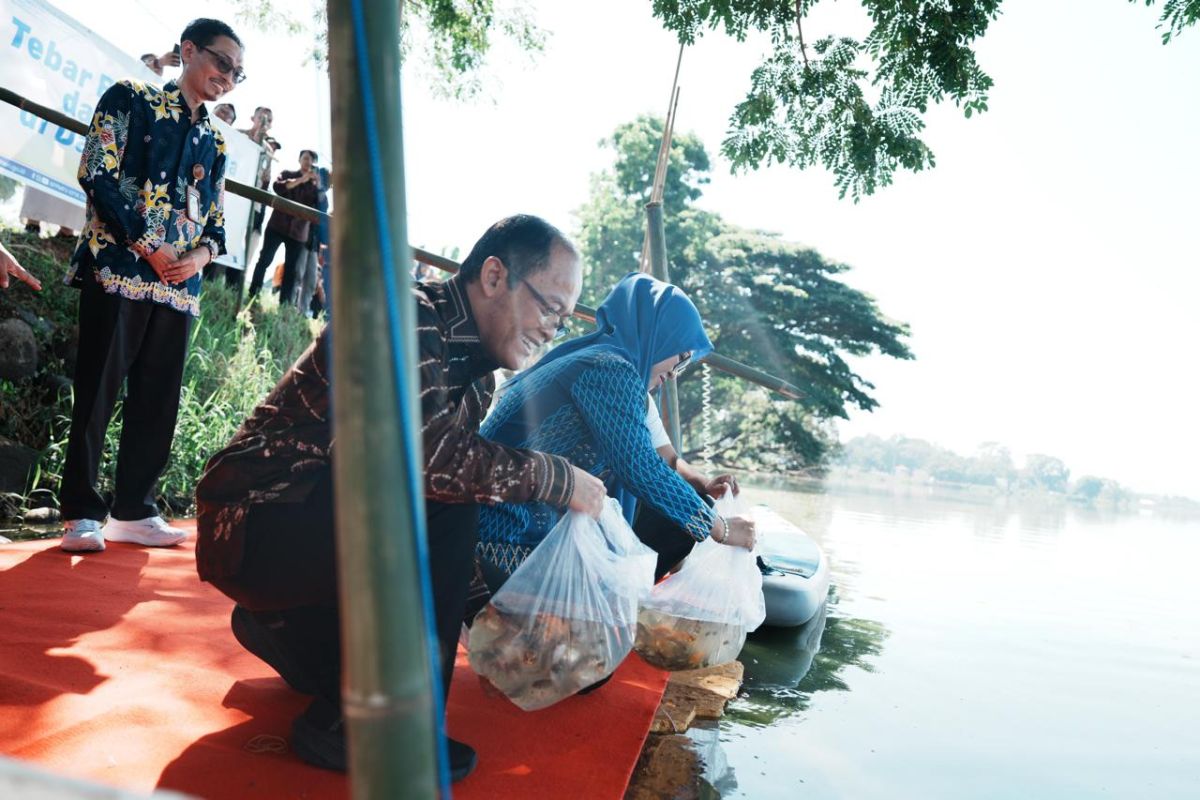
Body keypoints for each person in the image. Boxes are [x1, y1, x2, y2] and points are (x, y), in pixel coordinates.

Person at [194, 214, 606, 779]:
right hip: (254, 524)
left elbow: (444, 529)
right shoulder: (403, 315)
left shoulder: (476, 382)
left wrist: (500, 627)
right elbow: (423, 459)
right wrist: (558, 478)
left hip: (301, 547)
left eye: (563, 319)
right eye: (550, 308)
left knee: (468, 532)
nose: (552, 330)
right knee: (448, 492)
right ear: (494, 276)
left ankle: (282, 626)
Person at [57, 18, 243, 553]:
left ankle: (134, 511)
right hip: (118, 267)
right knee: (97, 390)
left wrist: (199, 256)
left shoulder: (214, 140)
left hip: (178, 287)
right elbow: (97, 172)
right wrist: (147, 243)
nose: (228, 77)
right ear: (188, 50)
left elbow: (216, 225)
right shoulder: (130, 98)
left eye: (238, 73)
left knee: (159, 401)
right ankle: (80, 514)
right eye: (222, 62)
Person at [475, 272, 756, 587]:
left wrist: (703, 491)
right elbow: (640, 467)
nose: (674, 374)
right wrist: (720, 529)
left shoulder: (600, 360)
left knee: (676, 512)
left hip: (512, 520)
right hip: (501, 535)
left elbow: (660, 460)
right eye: (679, 359)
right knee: (671, 525)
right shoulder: (609, 369)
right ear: (659, 336)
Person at [246, 149, 319, 304]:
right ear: (299, 159)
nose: (309, 162)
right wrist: (302, 179)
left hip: (298, 234)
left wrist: (319, 186)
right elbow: (277, 187)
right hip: (277, 226)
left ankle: (284, 306)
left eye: (312, 160)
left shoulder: (315, 187)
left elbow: (321, 206)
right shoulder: (287, 174)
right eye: (306, 158)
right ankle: (253, 295)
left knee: (291, 272)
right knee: (265, 260)